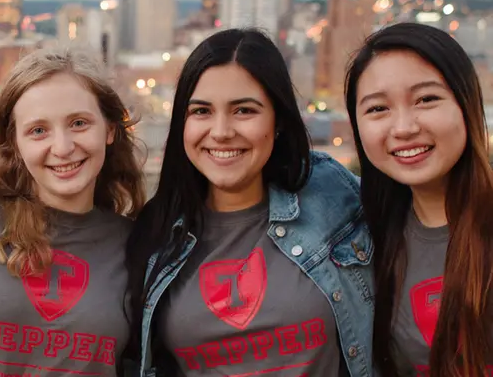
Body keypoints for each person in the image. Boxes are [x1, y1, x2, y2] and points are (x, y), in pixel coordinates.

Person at [125, 28, 375, 377]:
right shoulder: (156, 232)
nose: (222, 131)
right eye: (201, 111)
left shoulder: (334, 197)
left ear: (278, 122)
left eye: (244, 110)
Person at [0, 46, 146, 376]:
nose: (63, 147)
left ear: (109, 129)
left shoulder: (135, 244)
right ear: (15, 144)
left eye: (79, 123)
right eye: (38, 130)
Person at [345, 22, 493, 377]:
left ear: (466, 104)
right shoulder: (363, 241)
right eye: (378, 109)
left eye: (426, 99)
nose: (404, 127)